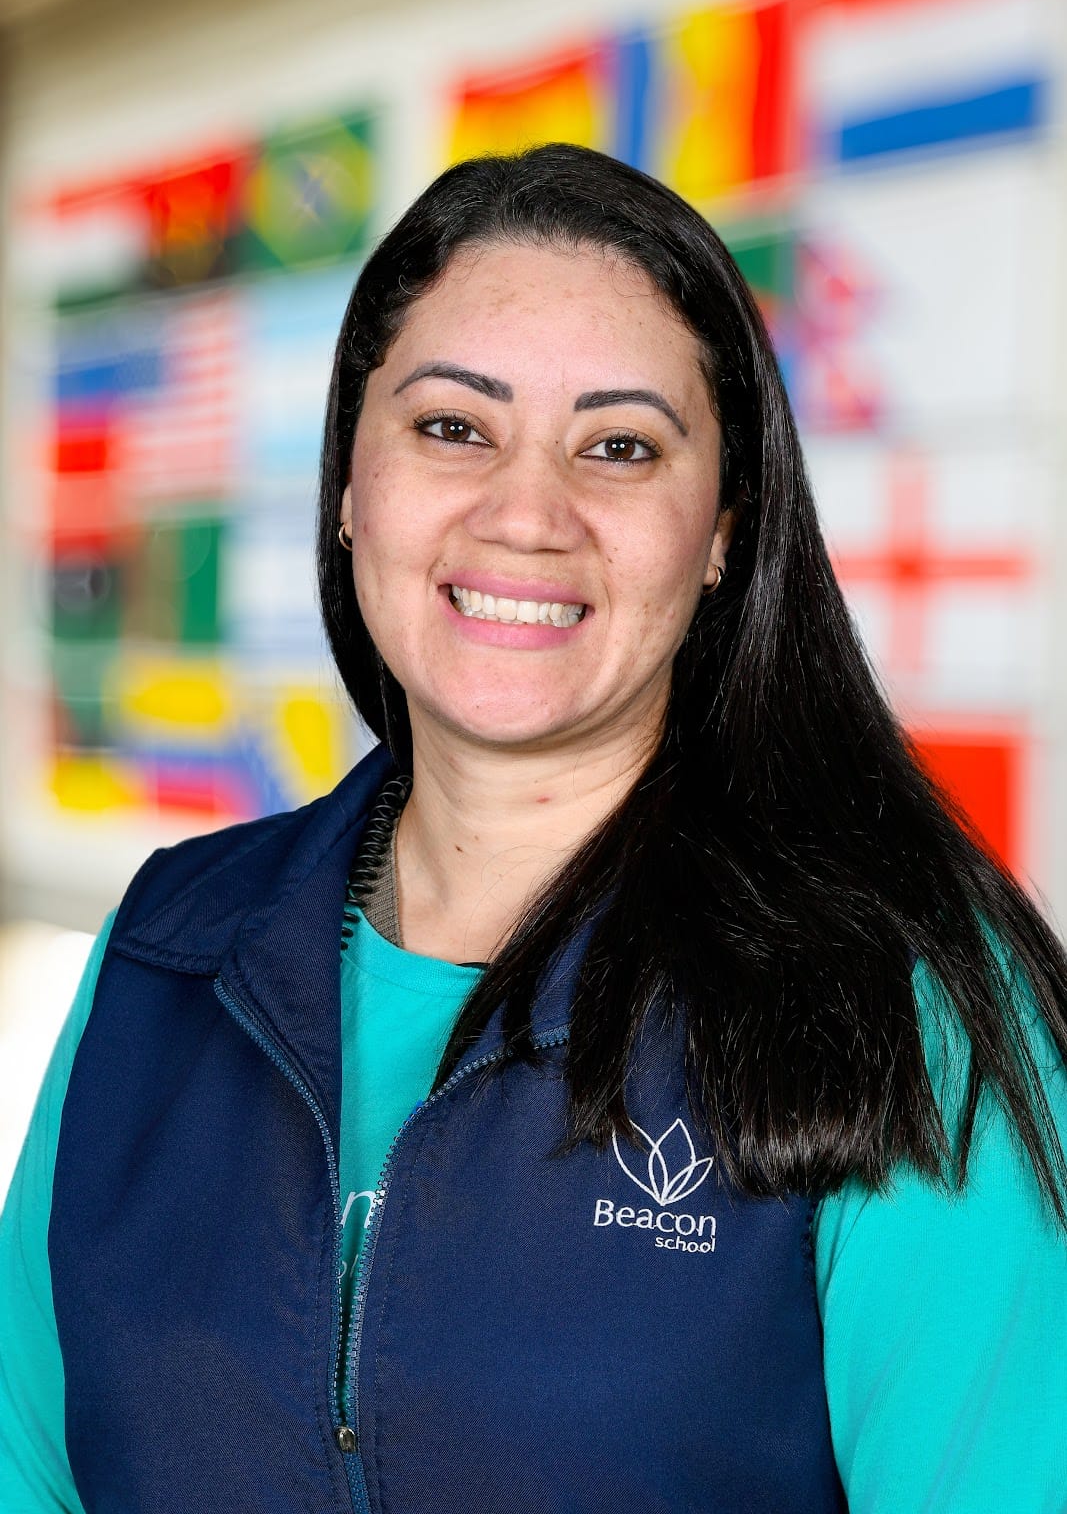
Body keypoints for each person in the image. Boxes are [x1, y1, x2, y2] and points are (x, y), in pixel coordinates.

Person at [1, 142, 1065, 1514]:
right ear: (349, 483)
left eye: (620, 447)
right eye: (454, 427)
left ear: (722, 533)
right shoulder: (162, 952)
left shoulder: (903, 1002)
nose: (525, 515)